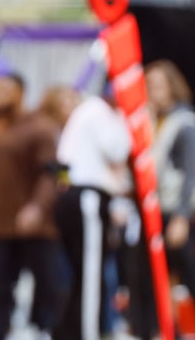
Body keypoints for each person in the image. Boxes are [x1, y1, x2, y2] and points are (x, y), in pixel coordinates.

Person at [0, 74, 70, 340]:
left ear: (20, 92)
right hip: (1, 222)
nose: (1, 94)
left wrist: (37, 208)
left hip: (34, 224)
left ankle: (52, 330)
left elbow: (53, 173)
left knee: (49, 283)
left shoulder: (39, 127)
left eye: (6, 89)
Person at [52, 85, 132, 340]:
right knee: (91, 276)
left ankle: (66, 332)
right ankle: (88, 334)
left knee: (80, 274)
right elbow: (117, 150)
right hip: (87, 196)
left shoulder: (84, 113)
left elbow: (62, 164)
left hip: (73, 196)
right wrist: (127, 119)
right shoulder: (100, 111)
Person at [123, 59, 195, 338]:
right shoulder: (153, 120)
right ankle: (156, 330)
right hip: (150, 211)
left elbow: (190, 173)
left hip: (173, 211)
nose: (150, 91)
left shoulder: (184, 122)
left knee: (186, 273)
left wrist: (180, 216)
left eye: (155, 85)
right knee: (147, 276)